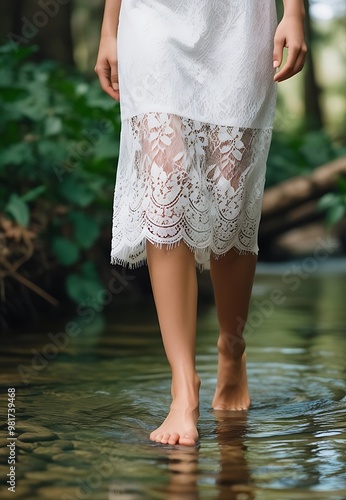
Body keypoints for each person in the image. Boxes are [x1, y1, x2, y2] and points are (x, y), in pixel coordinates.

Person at [95, 0, 307, 447]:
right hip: (151, 17)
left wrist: (295, 11)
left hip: (238, 22)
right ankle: (183, 386)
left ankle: (232, 346)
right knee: (165, 184)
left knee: (229, 196)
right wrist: (108, 28)